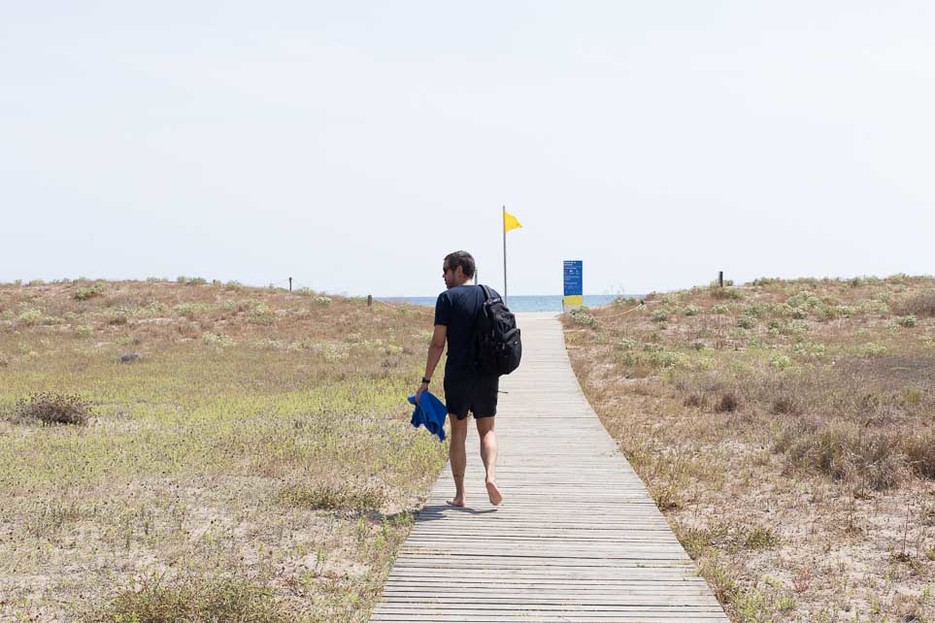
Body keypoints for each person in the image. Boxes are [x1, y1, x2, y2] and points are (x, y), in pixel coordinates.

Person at [416, 250, 503, 507]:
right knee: (487, 430)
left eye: (446, 270)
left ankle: (460, 495)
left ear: (460, 270)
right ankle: (490, 477)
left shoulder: (446, 299)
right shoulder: (491, 294)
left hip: (458, 375)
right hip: (487, 373)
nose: (443, 275)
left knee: (459, 433)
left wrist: (426, 380)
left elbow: (437, 344)